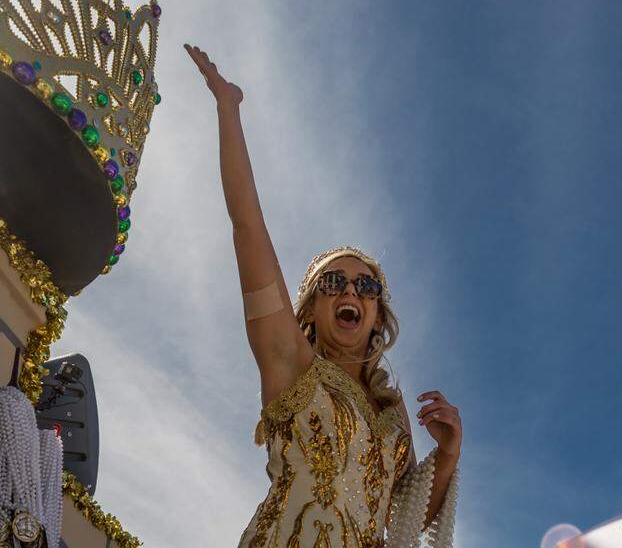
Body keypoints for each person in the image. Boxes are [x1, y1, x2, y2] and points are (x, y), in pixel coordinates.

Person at [185, 44, 462, 548]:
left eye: (366, 285)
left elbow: (406, 513)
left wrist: (446, 455)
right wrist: (228, 109)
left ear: (377, 314)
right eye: (333, 282)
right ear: (311, 308)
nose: (350, 290)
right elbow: (247, 226)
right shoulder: (289, 362)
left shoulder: (391, 406)